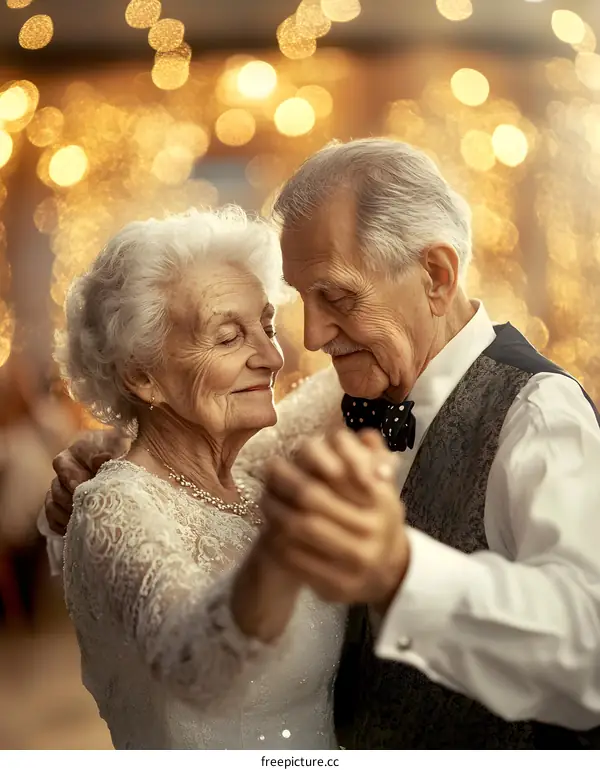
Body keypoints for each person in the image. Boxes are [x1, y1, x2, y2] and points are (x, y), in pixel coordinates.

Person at [43, 139, 600, 749]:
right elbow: (180, 467)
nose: (305, 340)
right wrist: (114, 450)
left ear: (436, 276)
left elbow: (588, 651)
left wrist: (402, 573)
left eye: (335, 297)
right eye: (303, 302)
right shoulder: (342, 400)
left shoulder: (535, 410)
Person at [43, 205, 386, 750]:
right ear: (141, 374)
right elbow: (195, 661)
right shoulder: (112, 505)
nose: (272, 356)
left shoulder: (251, 475)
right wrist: (284, 543)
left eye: (266, 327)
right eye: (229, 337)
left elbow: (380, 361)